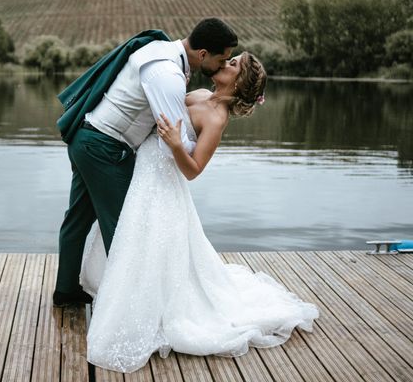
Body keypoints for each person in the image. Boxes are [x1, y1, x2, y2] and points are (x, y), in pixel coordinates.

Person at [80, 51, 320, 373]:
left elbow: (194, 170)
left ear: (238, 83)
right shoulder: (201, 94)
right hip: (144, 170)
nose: (227, 62)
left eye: (233, 64)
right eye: (230, 58)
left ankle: (155, 308)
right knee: (136, 238)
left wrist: (177, 144)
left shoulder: (216, 119)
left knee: (155, 243)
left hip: (164, 181)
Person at [53, 19, 239, 307]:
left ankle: (66, 292)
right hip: (105, 148)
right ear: (203, 54)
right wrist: (196, 147)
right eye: (222, 59)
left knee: (78, 219)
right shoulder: (167, 74)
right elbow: (171, 134)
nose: (222, 64)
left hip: (87, 138)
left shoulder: (160, 49)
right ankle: (125, 307)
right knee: (124, 229)